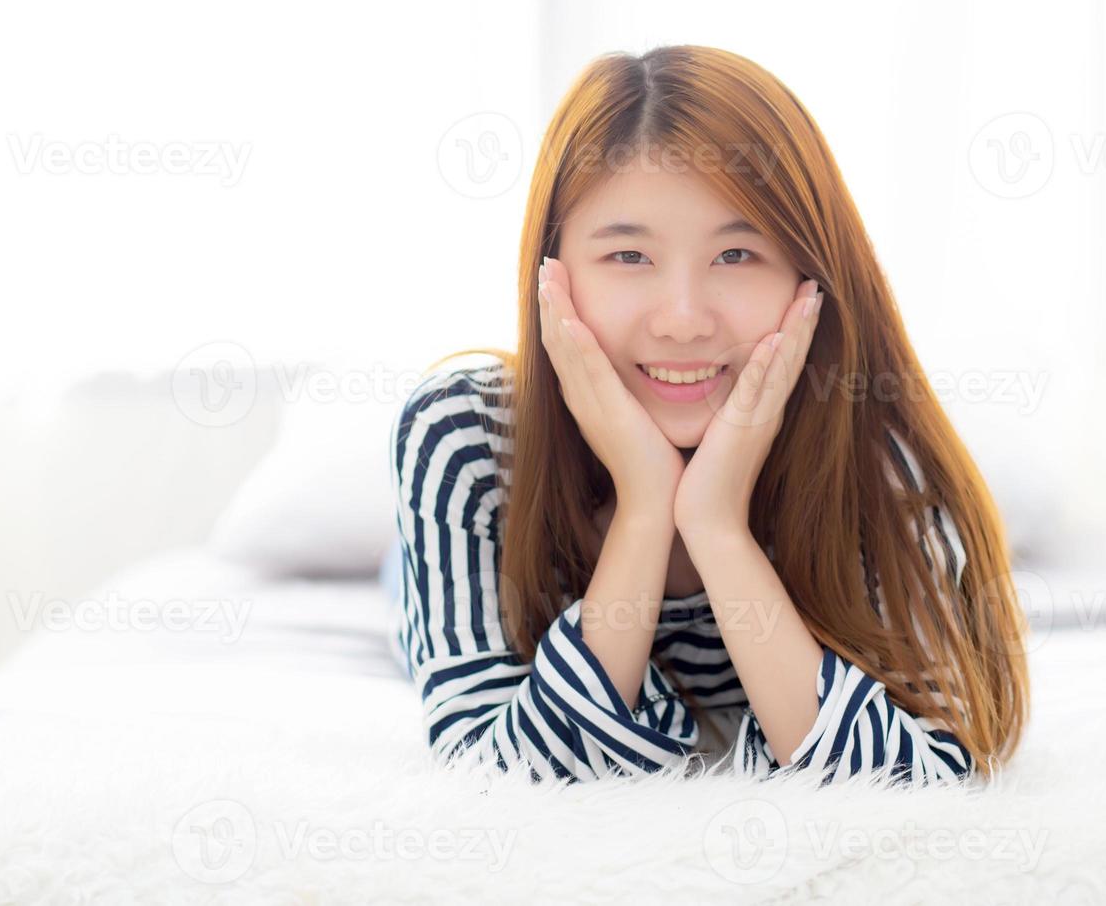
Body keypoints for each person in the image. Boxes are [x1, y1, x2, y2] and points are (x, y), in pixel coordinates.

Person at [387, 45, 1029, 785]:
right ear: (551, 272)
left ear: (811, 275)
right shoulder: (463, 439)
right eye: (628, 256)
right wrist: (643, 509)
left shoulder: (878, 456)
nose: (684, 321)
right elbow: (494, 775)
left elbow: (926, 776)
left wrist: (718, 527)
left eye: (737, 255)